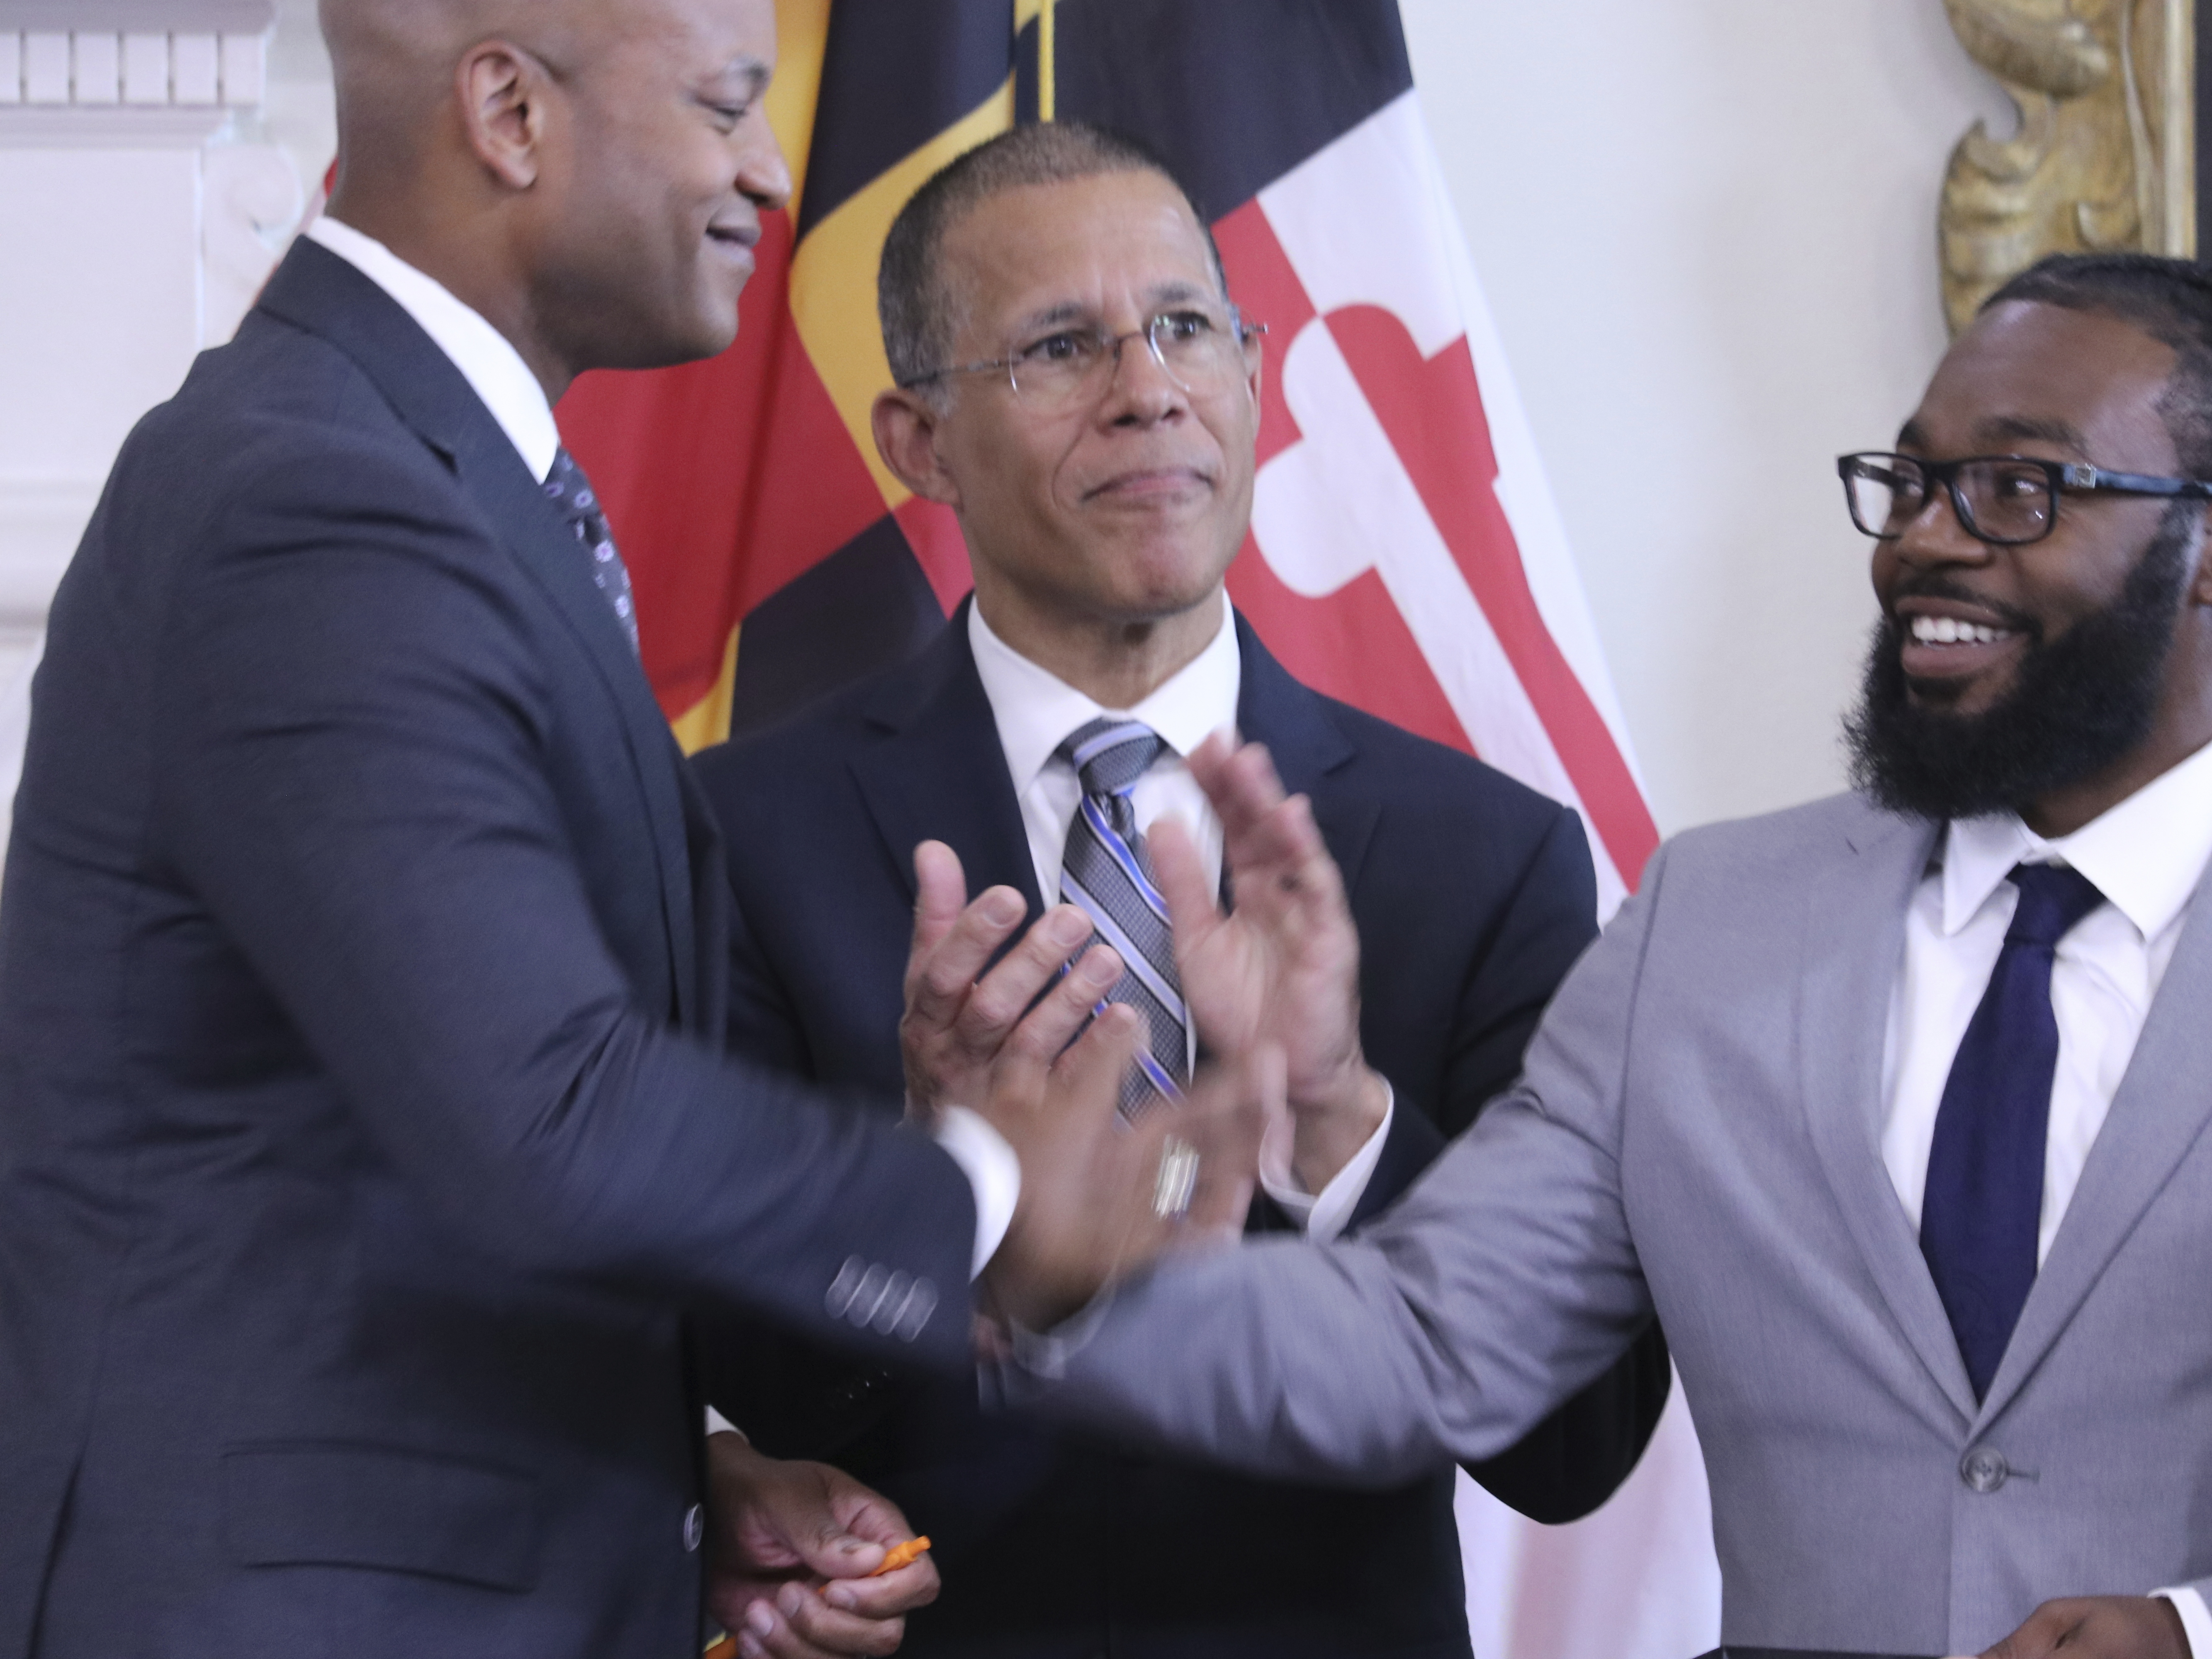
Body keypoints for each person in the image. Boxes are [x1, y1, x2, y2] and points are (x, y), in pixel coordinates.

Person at [0, 5, 1216, 1653]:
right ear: (507, 111)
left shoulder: (429, 485)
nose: (772, 171)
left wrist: (668, 1493)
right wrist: (985, 1186)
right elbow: (545, 1111)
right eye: (726, 104)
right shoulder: (315, 500)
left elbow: (404, 1150)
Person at [990, 251, 2212, 1659]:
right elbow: (1428, 1338)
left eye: (2018, 490)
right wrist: (1067, 1289)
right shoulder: (1713, 918)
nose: (1928, 539)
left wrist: (2190, 1629)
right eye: (1914, 481)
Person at [689, 123, 1669, 1659]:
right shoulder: (745, 835)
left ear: (1255, 375)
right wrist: (946, 1186)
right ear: (920, 441)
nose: (1148, 387)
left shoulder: (1486, 855)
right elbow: (731, 1378)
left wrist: (1340, 1119)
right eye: (1062, 345)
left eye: (1185, 328)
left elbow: (1577, 1438)